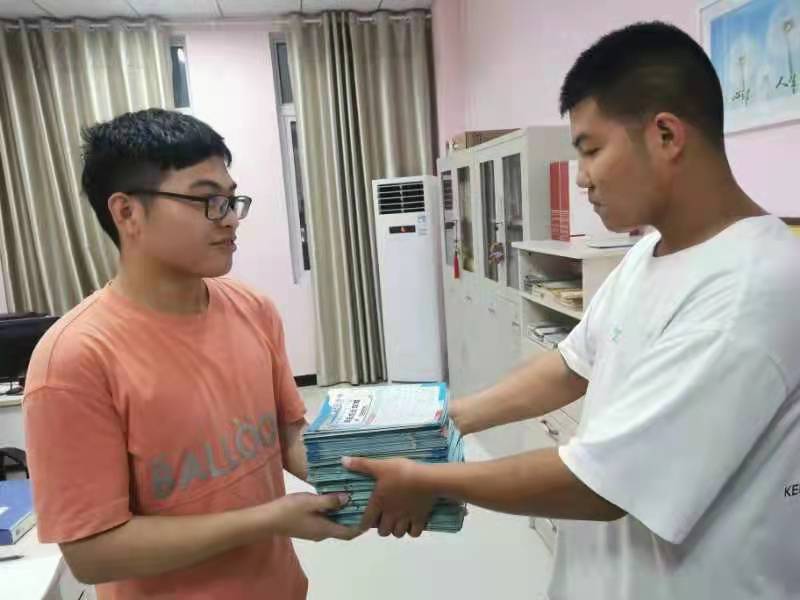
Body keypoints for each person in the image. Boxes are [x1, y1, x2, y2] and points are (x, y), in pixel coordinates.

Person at [345, 21, 800, 599]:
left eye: (591, 150)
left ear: (666, 135)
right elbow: (570, 365)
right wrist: (448, 421)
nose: (581, 178)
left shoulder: (752, 288)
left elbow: (602, 486)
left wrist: (427, 479)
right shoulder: (648, 255)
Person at [23, 109, 358, 600]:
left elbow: (287, 435)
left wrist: (368, 478)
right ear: (127, 213)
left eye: (231, 200)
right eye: (207, 201)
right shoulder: (74, 360)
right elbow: (93, 553)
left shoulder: (253, 309)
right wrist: (269, 519)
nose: (230, 219)